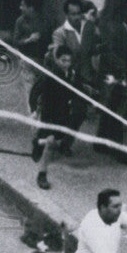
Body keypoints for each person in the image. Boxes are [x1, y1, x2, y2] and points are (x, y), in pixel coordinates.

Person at [29, 45, 82, 190]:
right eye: (63, 60)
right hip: (50, 113)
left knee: (57, 140)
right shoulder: (49, 75)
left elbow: (77, 89)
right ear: (56, 59)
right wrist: (34, 110)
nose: (66, 63)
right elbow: (35, 92)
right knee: (51, 143)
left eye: (69, 61)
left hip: (64, 113)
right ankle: (42, 175)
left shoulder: (72, 74)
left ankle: (38, 142)